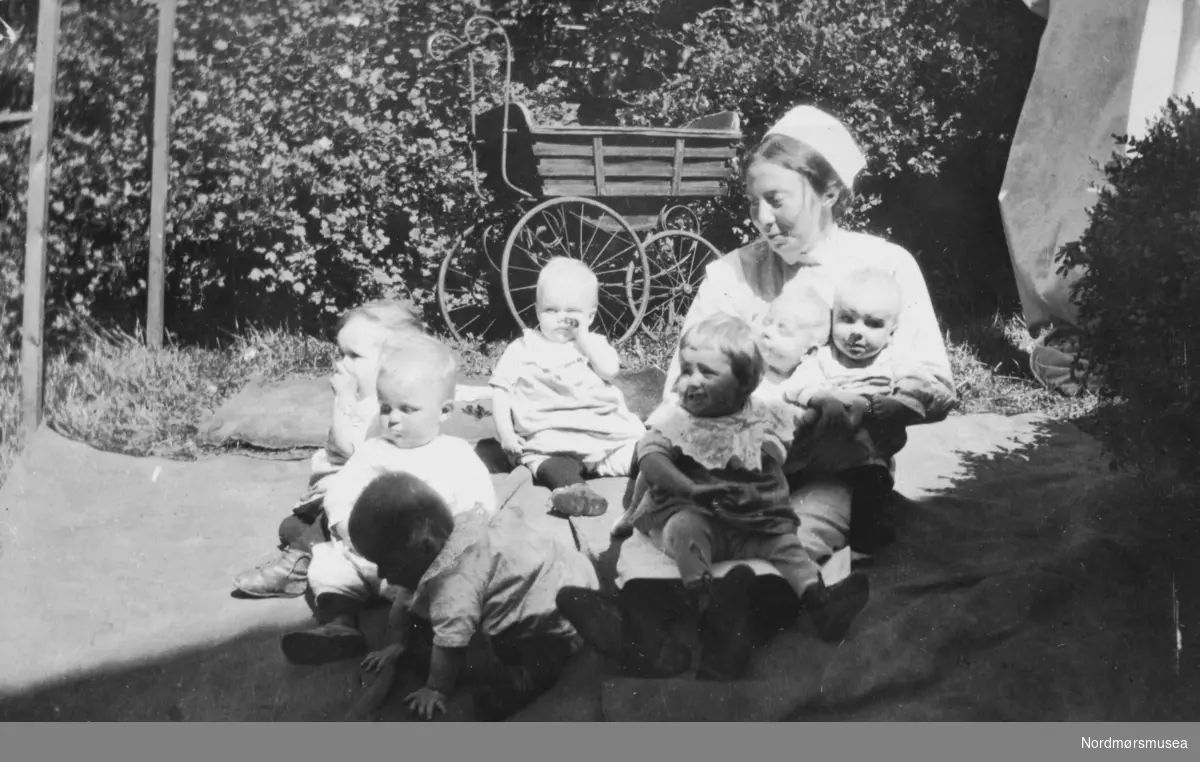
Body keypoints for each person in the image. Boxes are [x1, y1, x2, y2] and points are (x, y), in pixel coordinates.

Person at [663, 104, 956, 555]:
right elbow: (680, 387)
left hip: (837, 470)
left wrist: (873, 408)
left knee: (797, 541)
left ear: (830, 194)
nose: (760, 218)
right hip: (736, 465)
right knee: (689, 533)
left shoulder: (886, 267)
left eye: (776, 200)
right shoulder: (732, 274)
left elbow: (933, 381)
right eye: (751, 202)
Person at [559, 315, 871, 681]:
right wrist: (688, 487)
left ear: (744, 383)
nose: (690, 381)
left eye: (706, 372)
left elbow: (803, 428)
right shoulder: (679, 420)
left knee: (788, 545)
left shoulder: (767, 414)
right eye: (686, 369)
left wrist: (833, 410)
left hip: (753, 524)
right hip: (700, 517)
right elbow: (651, 457)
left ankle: (820, 604)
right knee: (683, 530)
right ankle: (684, 615)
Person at [279, 333, 497, 665]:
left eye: (408, 409)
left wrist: (453, 544)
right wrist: (345, 528)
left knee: (450, 592)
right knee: (331, 562)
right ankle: (340, 626)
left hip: (423, 568)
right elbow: (342, 488)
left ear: (444, 411)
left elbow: (479, 505)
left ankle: (432, 641)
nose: (393, 418)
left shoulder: (455, 455)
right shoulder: (373, 451)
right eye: (385, 407)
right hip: (368, 557)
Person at [347, 471, 600, 721]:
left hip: (556, 614)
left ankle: (521, 679)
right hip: (563, 569)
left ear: (424, 547)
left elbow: (451, 644)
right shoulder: (447, 537)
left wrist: (436, 688)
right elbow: (404, 599)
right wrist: (396, 642)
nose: (381, 574)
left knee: (538, 658)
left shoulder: (454, 585)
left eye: (386, 564)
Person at [232, 299, 425, 598]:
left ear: (394, 362)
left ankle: (296, 566)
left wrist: (342, 401)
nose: (341, 363)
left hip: (361, 498)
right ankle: (316, 553)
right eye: (340, 353)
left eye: (354, 356)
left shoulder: (387, 409)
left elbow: (354, 452)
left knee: (313, 525)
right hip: (336, 497)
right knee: (291, 526)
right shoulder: (365, 398)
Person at [490, 257, 646, 518]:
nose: (562, 319)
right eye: (551, 310)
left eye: (572, 312)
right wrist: (506, 434)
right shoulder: (523, 347)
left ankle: (673, 475)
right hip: (550, 438)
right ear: (538, 311)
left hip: (604, 438)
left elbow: (610, 371)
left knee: (644, 452)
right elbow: (500, 391)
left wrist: (583, 338)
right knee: (543, 463)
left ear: (590, 315)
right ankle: (575, 491)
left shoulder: (593, 344)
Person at [783, 267, 934, 422]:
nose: (857, 332)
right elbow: (799, 384)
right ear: (833, 316)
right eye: (847, 319)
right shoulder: (826, 356)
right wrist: (824, 398)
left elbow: (919, 383)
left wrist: (897, 404)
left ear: (891, 330)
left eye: (873, 324)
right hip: (833, 418)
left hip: (876, 422)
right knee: (808, 418)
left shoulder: (893, 358)